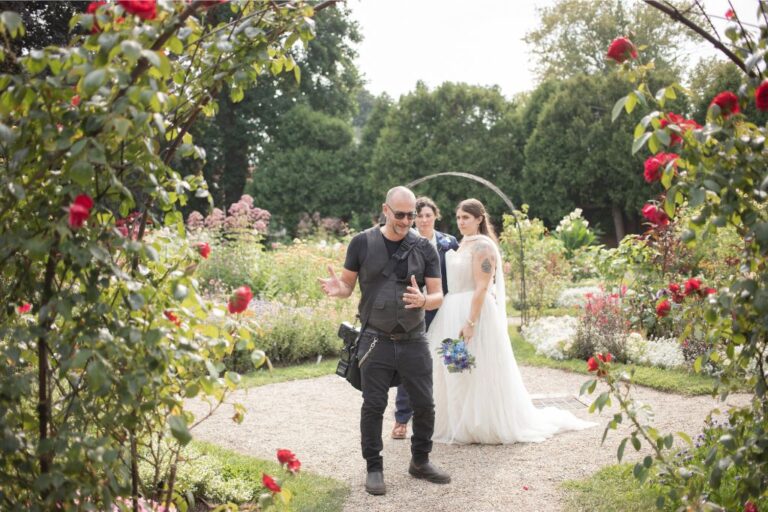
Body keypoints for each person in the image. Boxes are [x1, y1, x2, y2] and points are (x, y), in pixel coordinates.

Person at [318, 186, 451, 496]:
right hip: (375, 339)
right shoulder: (362, 243)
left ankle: (420, 461)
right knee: (373, 406)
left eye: (412, 215)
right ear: (386, 210)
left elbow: (438, 295)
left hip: (413, 340)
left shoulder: (424, 248)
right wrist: (340, 289)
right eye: (400, 214)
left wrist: (423, 300)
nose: (406, 221)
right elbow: (348, 286)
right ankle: (374, 468)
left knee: (425, 405)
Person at [428, 198, 596, 444]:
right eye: (458, 217)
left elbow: (482, 287)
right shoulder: (462, 243)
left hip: (472, 314)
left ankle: (483, 423)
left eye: (466, 217)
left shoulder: (483, 248)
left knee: (475, 366)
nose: (461, 222)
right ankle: (460, 421)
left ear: (479, 219)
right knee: (456, 368)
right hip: (450, 312)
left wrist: (470, 322)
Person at [392, 197, 458, 441]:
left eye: (427, 215)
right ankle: (401, 418)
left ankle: (458, 413)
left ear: (435, 216)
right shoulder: (404, 242)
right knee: (410, 364)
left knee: (454, 358)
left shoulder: (449, 242)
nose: (423, 219)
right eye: (418, 216)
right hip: (416, 311)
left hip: (449, 310)